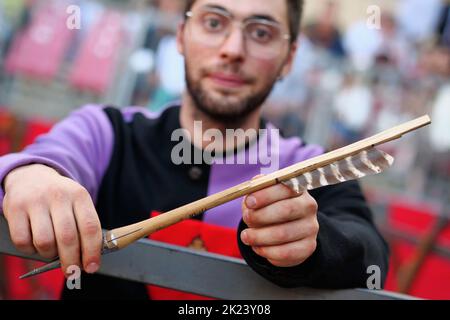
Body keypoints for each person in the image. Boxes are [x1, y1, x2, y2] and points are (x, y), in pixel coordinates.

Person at [0, 0, 388, 299]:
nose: (233, 49)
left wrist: (314, 244)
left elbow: (369, 256)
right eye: (215, 23)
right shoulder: (107, 132)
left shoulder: (308, 166)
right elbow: (44, 160)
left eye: (262, 32)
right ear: (182, 36)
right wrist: (30, 174)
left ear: (289, 58)